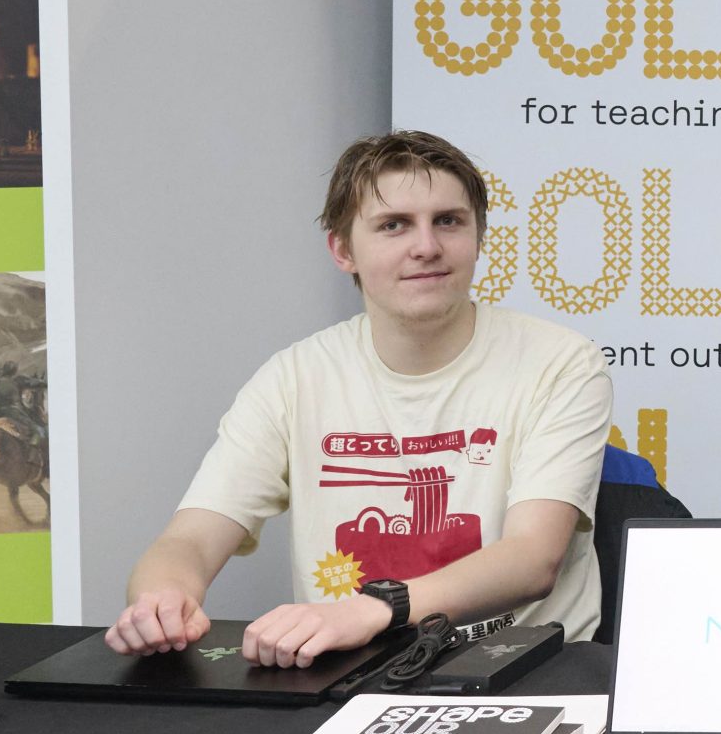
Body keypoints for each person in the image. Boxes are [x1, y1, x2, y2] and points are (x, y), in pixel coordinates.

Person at [105, 131, 612, 665]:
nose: (426, 247)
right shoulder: (294, 378)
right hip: (349, 671)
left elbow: (532, 560)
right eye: (394, 225)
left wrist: (376, 608)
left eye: (449, 221)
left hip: (525, 669)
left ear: (479, 237)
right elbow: (190, 540)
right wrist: (160, 597)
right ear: (343, 250)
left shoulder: (560, 363)